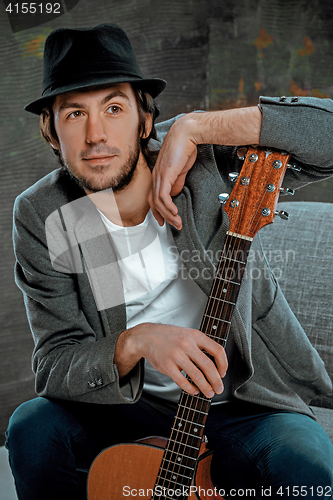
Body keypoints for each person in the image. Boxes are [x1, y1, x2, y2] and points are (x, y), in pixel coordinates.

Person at [5, 23, 333, 500]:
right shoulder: (44, 213)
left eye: (114, 107)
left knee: (307, 469)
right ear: (52, 132)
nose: (96, 134)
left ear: (143, 119)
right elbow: (55, 363)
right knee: (34, 426)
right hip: (131, 405)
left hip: (245, 400)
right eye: (74, 113)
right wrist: (137, 342)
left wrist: (198, 125)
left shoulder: (202, 163)